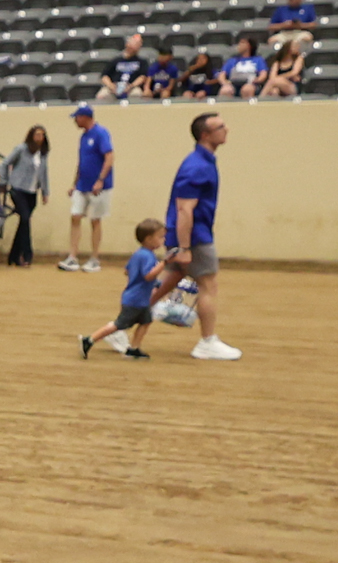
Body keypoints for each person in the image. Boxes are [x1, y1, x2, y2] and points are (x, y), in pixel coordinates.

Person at [149, 111, 241, 361]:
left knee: (162, 287)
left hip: (190, 235)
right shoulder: (197, 166)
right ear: (205, 135)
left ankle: (120, 325)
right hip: (195, 237)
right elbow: (184, 209)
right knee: (208, 285)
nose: (227, 129)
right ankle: (207, 341)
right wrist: (185, 247)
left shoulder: (204, 161)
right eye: (220, 126)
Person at [80, 218, 165, 360]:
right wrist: (165, 263)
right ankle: (90, 339)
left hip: (137, 298)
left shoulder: (139, 254)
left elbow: (127, 271)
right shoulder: (147, 256)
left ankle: (134, 348)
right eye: (160, 237)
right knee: (119, 325)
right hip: (136, 299)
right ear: (149, 239)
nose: (163, 240)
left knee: (146, 321)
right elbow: (148, 275)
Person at [59, 105, 113, 273]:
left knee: (95, 220)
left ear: (85, 117)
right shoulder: (83, 137)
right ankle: (72, 257)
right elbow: (81, 162)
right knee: (75, 217)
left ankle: (95, 258)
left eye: (77, 117)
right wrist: (74, 183)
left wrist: (100, 180)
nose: (75, 120)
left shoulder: (101, 133)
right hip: (82, 185)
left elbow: (109, 158)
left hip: (99, 187)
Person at [0, 124, 50, 268]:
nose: (40, 138)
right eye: (37, 134)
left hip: (32, 192)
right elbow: (4, 164)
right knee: (25, 218)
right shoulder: (21, 149)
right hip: (18, 189)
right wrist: (3, 182)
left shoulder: (43, 154)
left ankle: (13, 256)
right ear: (31, 136)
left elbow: (44, 174)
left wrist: (45, 192)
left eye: (42, 135)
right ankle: (27, 254)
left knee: (23, 223)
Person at [98, 32, 147, 101]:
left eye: (139, 44)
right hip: (114, 87)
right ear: (127, 45)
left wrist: (131, 86)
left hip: (131, 87)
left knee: (136, 94)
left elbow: (142, 77)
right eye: (135, 44)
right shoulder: (116, 60)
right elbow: (104, 76)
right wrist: (111, 86)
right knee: (102, 95)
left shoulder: (142, 62)